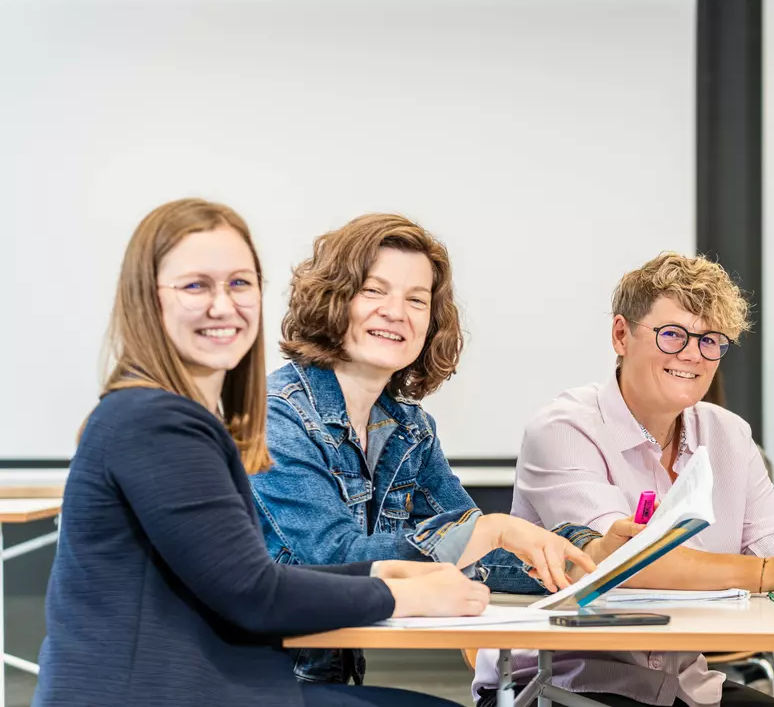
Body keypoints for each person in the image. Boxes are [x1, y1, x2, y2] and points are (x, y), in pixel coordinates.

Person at [35, 198, 490, 707]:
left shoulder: (174, 415)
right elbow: (253, 594)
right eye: (195, 286)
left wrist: (378, 572)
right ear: (147, 299)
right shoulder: (155, 420)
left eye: (240, 284)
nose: (223, 306)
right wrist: (399, 593)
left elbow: (243, 575)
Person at [474, 252, 774, 707]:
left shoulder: (729, 435)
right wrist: (769, 574)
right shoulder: (564, 428)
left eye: (711, 340)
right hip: (561, 683)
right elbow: (623, 565)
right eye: (673, 335)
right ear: (621, 335)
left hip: (683, 686)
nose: (694, 355)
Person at [249, 213, 606, 685]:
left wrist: (590, 555)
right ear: (332, 300)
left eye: (417, 300)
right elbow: (335, 560)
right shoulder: (275, 416)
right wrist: (489, 530)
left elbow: (476, 551)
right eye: (374, 291)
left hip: (328, 682)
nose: (397, 312)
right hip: (259, 684)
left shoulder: (409, 427)